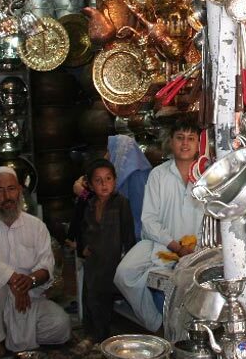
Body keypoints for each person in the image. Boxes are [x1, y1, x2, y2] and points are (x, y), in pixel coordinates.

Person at [0, 167, 71, 357]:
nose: (7, 196)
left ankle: (8, 333)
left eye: (11, 189)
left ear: (19, 190)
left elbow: (46, 265)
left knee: (61, 325)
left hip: (28, 298)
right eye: (0, 191)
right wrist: (14, 279)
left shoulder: (36, 226)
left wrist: (30, 282)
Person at [114, 121, 205, 332]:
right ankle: (156, 324)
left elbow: (212, 219)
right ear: (171, 142)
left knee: (188, 287)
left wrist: (193, 249)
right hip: (162, 242)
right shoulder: (159, 174)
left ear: (199, 144)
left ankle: (186, 334)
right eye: (180, 138)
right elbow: (149, 220)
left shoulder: (206, 176)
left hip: (197, 248)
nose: (185, 143)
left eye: (191, 139)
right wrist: (175, 246)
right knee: (124, 274)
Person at [78, 159, 136, 346]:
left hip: (113, 259)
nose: (104, 184)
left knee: (104, 299)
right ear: (90, 184)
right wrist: (83, 247)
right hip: (93, 259)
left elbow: (128, 233)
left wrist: (129, 258)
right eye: (98, 180)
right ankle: (90, 334)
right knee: (90, 297)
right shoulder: (88, 203)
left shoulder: (121, 203)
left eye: (108, 179)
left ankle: (103, 338)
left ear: (115, 180)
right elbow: (82, 227)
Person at [107, 134, 152, 240]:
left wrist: (83, 193)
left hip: (132, 235)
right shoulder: (116, 175)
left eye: (109, 150)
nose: (107, 155)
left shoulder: (135, 176)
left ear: (119, 151)